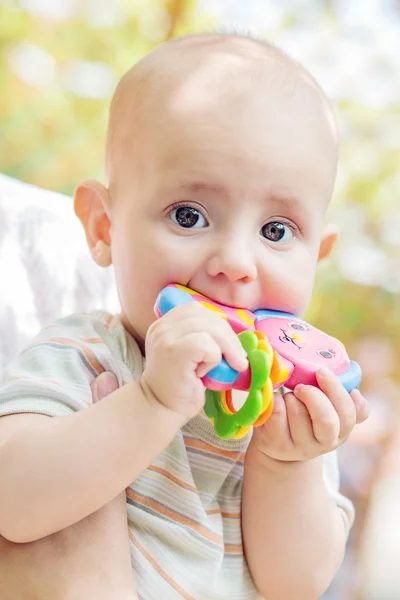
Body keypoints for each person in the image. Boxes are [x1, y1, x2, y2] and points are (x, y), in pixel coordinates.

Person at [0, 33, 369, 600]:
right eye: (190, 215)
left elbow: (296, 585)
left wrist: (285, 465)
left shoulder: (288, 408)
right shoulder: (84, 355)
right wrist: (150, 403)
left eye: (276, 231)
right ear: (104, 227)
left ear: (316, 255)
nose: (235, 263)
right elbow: (11, 504)